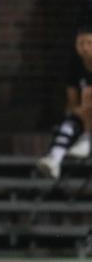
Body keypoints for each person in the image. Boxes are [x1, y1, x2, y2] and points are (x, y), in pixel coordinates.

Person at [37, 27, 92, 179]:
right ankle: (54, 160)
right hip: (85, 115)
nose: (84, 48)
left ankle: (86, 139)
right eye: (80, 43)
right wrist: (78, 111)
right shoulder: (75, 65)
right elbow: (72, 102)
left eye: (89, 43)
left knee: (88, 94)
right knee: (69, 124)